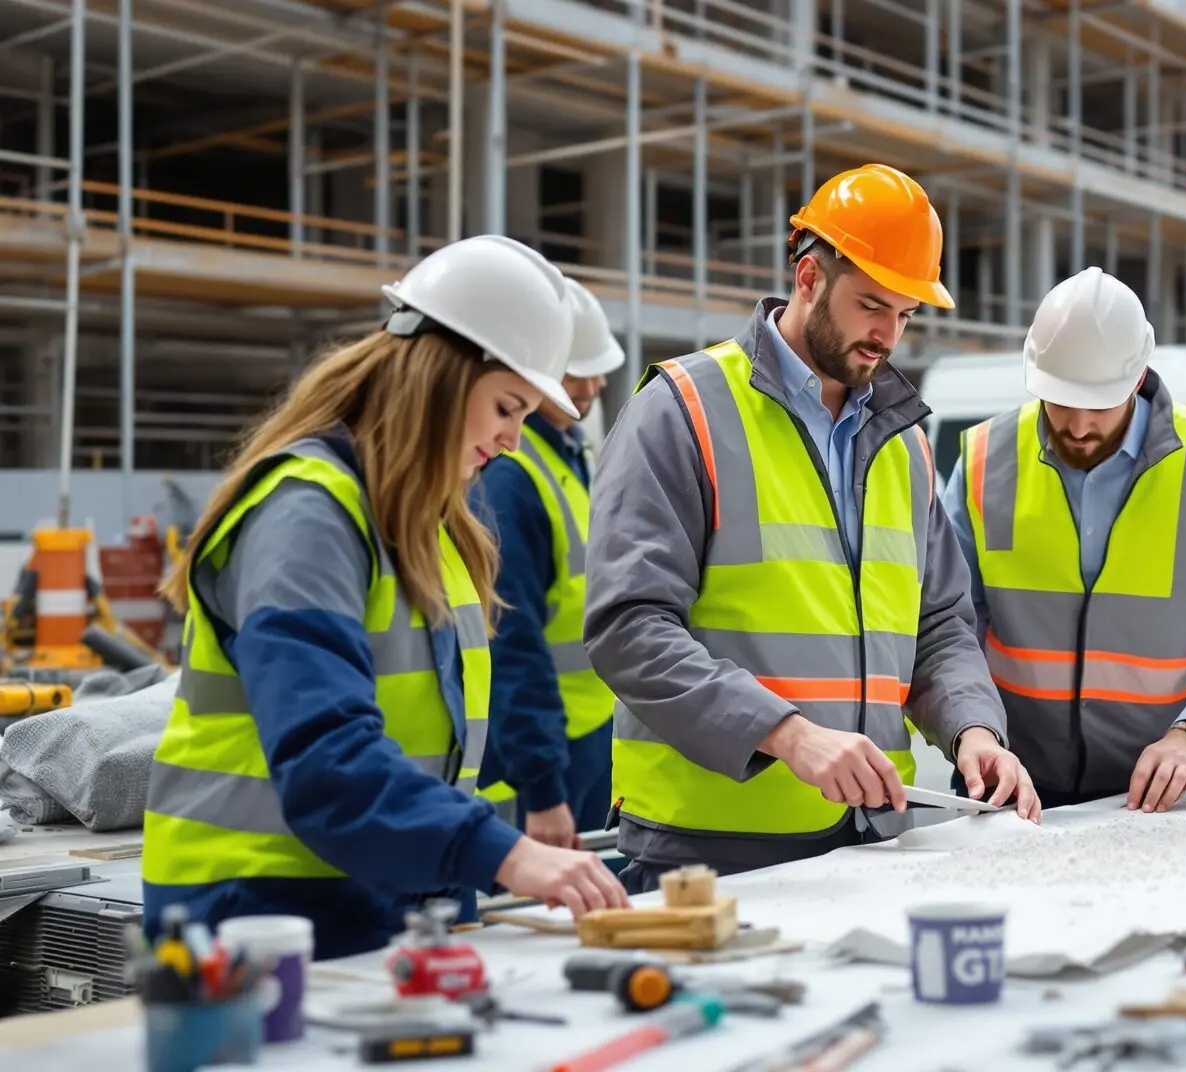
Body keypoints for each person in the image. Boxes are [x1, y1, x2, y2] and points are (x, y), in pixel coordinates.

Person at [141, 235, 628, 960]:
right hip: (255, 912)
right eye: (505, 407)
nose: (512, 442)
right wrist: (506, 853)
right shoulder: (307, 516)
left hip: (372, 893)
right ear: (438, 376)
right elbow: (325, 757)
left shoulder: (424, 522)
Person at [585, 162, 1042, 896]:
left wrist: (972, 731)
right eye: (870, 305)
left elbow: (939, 624)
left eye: (905, 314)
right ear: (807, 276)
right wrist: (786, 734)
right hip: (709, 848)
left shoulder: (905, 443)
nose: (886, 335)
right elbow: (628, 626)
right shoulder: (683, 410)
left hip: (870, 838)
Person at [943, 267, 1186, 812]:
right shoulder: (986, 458)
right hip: (1011, 785)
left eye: (1098, 404)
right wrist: (973, 729)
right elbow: (951, 623)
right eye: (1060, 402)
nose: (1078, 426)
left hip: (1167, 789)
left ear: (1137, 379)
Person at [471, 278, 627, 847]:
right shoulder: (508, 475)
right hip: (534, 754)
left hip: (584, 737)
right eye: (574, 373)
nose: (592, 386)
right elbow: (511, 643)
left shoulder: (570, 450)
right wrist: (542, 789)